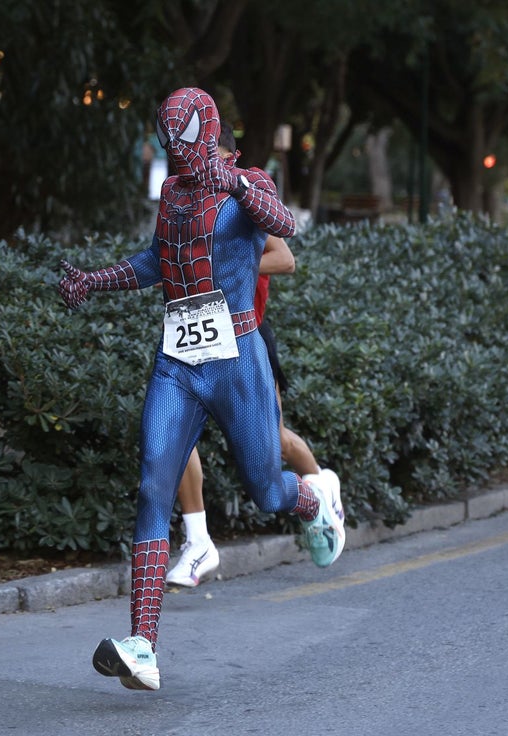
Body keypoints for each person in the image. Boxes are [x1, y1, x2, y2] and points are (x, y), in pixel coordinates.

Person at [56, 87, 344, 691]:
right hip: (178, 360)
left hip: (238, 358)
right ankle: (142, 646)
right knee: (151, 484)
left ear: (206, 130)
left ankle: (317, 501)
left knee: (268, 490)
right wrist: (94, 280)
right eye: (168, 136)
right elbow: (157, 263)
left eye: (182, 135)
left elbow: (285, 228)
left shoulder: (250, 180)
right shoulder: (171, 195)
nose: (176, 147)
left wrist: (235, 183)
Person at [167, 126, 328, 589]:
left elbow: (286, 259)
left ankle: (321, 504)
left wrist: (225, 261)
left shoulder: (246, 194)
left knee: (275, 442)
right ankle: (197, 540)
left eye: (210, 156)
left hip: (248, 337)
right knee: (175, 436)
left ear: (228, 156)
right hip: (197, 335)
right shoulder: (182, 204)